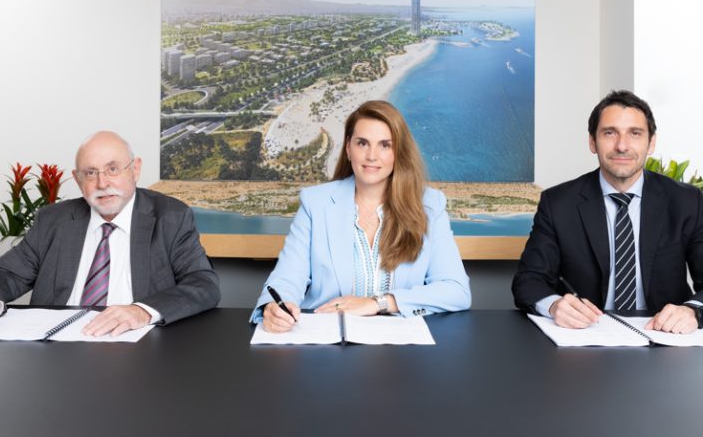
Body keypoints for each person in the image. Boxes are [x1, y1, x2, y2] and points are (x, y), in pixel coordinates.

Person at [251, 100, 471, 332]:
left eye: (385, 145)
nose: (372, 156)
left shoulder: (430, 206)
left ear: (398, 152)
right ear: (348, 148)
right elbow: (287, 278)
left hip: (400, 344)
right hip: (326, 337)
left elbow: (456, 290)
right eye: (362, 143)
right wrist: (275, 307)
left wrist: (378, 303)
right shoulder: (315, 203)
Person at [0, 131, 220, 336]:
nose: (102, 183)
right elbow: (6, 273)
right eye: (90, 173)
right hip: (56, 351)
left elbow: (203, 284)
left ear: (135, 169)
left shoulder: (171, 217)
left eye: (113, 169)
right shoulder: (53, 220)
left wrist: (142, 311)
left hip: (139, 347)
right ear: (78, 180)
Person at [512, 90, 703, 334]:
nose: (622, 146)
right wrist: (553, 305)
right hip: (585, 336)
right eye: (610, 133)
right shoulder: (558, 203)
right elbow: (529, 280)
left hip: (665, 336)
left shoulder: (687, 201)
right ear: (592, 142)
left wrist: (692, 311)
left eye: (635, 133)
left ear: (651, 143)